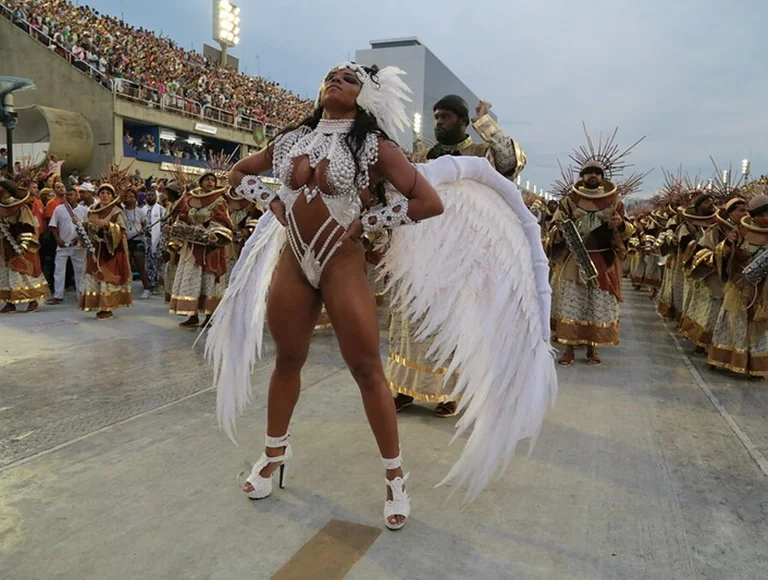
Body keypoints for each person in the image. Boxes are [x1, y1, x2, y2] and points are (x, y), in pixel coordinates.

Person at [219, 63, 444, 530]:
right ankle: (273, 452)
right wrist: (272, 202)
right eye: (330, 75)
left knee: (366, 369)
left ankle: (395, 475)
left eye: (349, 78)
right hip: (294, 260)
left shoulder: (373, 146)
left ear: (366, 97)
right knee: (287, 359)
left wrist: (369, 223)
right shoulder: (290, 140)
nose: (335, 79)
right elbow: (238, 174)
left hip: (342, 261)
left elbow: (428, 202)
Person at [388, 94, 528, 417]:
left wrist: (486, 124)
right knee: (411, 320)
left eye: (446, 117)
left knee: (454, 323)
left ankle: (449, 394)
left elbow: (510, 162)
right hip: (422, 249)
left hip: (464, 252)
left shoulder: (480, 156)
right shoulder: (424, 156)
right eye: (436, 117)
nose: (438, 123)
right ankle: (404, 387)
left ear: (464, 122)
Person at [550, 161, 634, 366]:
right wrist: (560, 230)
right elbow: (554, 225)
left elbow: (629, 228)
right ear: (582, 176)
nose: (593, 176)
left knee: (596, 304)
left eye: (597, 173)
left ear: (602, 177)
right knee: (572, 303)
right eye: (588, 173)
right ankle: (568, 348)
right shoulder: (569, 201)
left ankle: (592, 348)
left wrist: (620, 225)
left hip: (603, 259)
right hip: (575, 258)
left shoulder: (615, 201)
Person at [708, 195, 768, 378]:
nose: (766, 218)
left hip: (764, 289)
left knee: (759, 326)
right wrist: (728, 244)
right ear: (754, 215)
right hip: (739, 286)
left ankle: (756, 366)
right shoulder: (740, 232)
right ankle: (722, 358)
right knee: (734, 322)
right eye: (762, 214)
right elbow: (720, 254)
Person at [168, 172, 233, 327]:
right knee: (191, 278)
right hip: (191, 246)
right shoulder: (191, 199)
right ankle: (192, 314)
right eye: (207, 179)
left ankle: (209, 316)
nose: (210, 182)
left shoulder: (219, 200)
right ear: (201, 182)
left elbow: (224, 221)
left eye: (213, 180)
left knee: (209, 280)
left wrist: (212, 233)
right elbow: (183, 217)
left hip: (211, 247)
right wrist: (179, 227)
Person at [78, 184, 133, 319]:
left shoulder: (116, 211)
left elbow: (122, 230)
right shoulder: (93, 210)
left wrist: (108, 225)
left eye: (108, 193)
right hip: (95, 249)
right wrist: (84, 225)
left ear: (113, 196)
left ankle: (107, 307)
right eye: (102, 193)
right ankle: (97, 305)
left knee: (107, 279)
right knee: (94, 277)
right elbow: (88, 228)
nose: (105, 195)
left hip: (110, 251)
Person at [0, 179, 50, 313]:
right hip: (4, 247)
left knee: (24, 273)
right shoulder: (1, 207)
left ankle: (33, 299)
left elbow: (27, 226)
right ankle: (10, 302)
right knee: (6, 275)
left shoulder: (22, 207)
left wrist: (23, 244)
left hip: (20, 244)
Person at [47, 186, 89, 304]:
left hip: (78, 245)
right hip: (62, 245)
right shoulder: (59, 209)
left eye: (71, 194)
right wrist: (57, 239)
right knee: (59, 270)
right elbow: (53, 226)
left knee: (80, 270)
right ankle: (58, 295)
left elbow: (87, 227)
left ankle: (81, 294)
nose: (69, 197)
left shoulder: (84, 210)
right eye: (67, 195)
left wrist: (80, 238)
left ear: (77, 196)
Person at [123, 189, 151, 299]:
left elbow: (145, 224)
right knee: (126, 265)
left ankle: (146, 289)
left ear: (135, 199)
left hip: (138, 240)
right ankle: (126, 288)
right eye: (127, 196)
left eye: (131, 196)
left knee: (140, 265)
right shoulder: (121, 211)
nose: (129, 198)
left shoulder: (140, 211)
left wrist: (143, 230)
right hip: (125, 240)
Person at [144, 188, 167, 293]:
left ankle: (158, 283)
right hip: (146, 240)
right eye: (148, 195)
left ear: (155, 197)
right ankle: (150, 283)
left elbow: (165, 225)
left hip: (158, 239)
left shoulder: (161, 210)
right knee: (148, 262)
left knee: (157, 262)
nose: (150, 197)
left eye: (152, 195)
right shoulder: (142, 209)